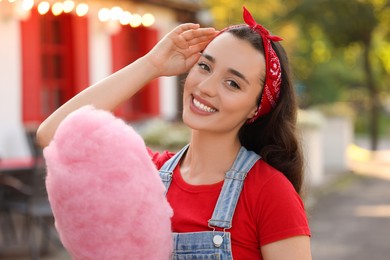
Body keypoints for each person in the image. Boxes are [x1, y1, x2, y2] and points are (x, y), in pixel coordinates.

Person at [37, 6, 311, 260]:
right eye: (204, 66)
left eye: (232, 83)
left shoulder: (269, 192)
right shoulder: (146, 174)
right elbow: (56, 135)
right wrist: (152, 65)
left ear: (255, 108)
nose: (206, 87)